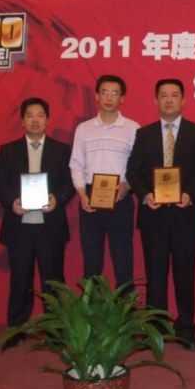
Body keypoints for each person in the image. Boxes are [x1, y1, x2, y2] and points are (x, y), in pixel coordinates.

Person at [126, 79, 195, 351]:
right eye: (164, 95)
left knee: (185, 275)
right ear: (156, 101)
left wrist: (190, 194)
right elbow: (133, 172)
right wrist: (145, 195)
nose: (169, 100)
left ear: (183, 100)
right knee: (156, 276)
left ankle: (186, 329)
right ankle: (156, 330)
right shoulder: (144, 134)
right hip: (154, 215)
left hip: (185, 215)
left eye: (174, 95)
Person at [0, 98, 74, 348]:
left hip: (50, 225)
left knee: (53, 280)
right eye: (30, 115)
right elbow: (0, 184)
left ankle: (56, 331)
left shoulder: (62, 150)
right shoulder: (8, 150)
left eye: (40, 115)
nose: (35, 120)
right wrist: (11, 203)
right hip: (19, 225)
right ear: (22, 121)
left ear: (47, 120)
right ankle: (16, 329)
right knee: (20, 279)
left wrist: (57, 199)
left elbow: (69, 183)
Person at [69, 75, 139, 288]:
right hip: (90, 197)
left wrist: (127, 187)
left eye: (114, 93)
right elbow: (76, 164)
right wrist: (82, 195)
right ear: (97, 96)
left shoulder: (133, 128)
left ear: (122, 98)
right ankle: (90, 307)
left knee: (123, 259)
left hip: (121, 197)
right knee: (91, 260)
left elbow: (138, 166)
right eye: (104, 92)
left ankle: (125, 307)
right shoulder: (84, 128)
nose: (109, 97)